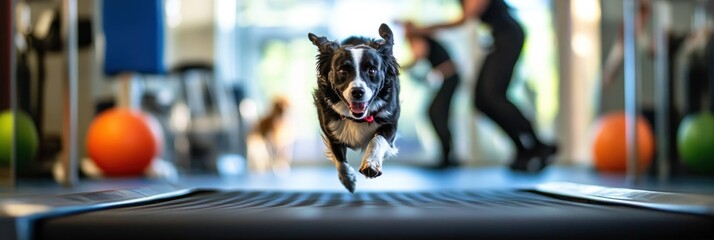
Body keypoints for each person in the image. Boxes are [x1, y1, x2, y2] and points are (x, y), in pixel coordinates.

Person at [406, 0, 556, 172]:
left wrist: (422, 29)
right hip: (498, 39)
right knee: (482, 102)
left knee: (493, 96)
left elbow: (465, 19)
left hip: (508, 37)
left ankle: (537, 144)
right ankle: (523, 147)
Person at [402, 21, 461, 169]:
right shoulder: (428, 40)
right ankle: (447, 155)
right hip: (448, 79)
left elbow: (419, 56)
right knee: (438, 114)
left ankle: (447, 156)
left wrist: (401, 66)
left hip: (449, 79)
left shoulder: (420, 39)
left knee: (436, 113)